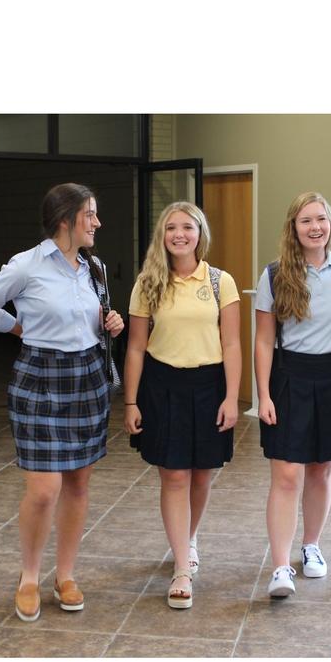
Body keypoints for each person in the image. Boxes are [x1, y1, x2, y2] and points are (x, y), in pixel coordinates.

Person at [0, 183, 125, 621]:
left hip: (87, 378)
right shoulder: (27, 265)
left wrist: (109, 322)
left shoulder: (94, 267)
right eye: (90, 215)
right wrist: (20, 328)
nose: (97, 223)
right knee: (43, 491)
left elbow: (89, 319)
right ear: (65, 219)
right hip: (40, 378)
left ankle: (66, 575)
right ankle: (30, 577)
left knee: (78, 484)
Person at [123, 201, 241, 609]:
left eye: (187, 227)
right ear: (162, 235)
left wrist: (231, 397)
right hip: (162, 386)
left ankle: (188, 539)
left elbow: (232, 344)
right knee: (174, 476)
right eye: (171, 227)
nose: (179, 234)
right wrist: (131, 401)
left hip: (209, 385)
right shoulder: (147, 283)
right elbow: (135, 347)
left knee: (202, 475)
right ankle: (180, 568)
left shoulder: (220, 281)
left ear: (199, 233)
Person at [254, 191, 331, 598]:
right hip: (289, 377)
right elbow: (264, 341)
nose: (315, 227)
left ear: (330, 223)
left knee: (320, 470)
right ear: (293, 228)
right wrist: (263, 395)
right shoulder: (275, 274)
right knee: (285, 475)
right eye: (306, 221)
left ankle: (311, 546)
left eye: (320, 219)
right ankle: (280, 566)